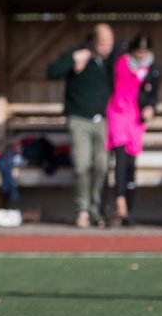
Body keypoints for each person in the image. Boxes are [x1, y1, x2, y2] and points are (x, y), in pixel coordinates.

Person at [47, 23, 114, 227]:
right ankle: (82, 209)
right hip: (79, 120)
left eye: (109, 43)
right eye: (102, 43)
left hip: (102, 121)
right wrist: (73, 59)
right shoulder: (78, 54)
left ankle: (97, 209)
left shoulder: (109, 62)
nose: (106, 47)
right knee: (82, 165)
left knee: (102, 166)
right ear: (93, 41)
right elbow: (52, 72)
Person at [105, 33, 159, 226]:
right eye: (138, 51)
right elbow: (114, 46)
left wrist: (151, 107)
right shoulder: (121, 60)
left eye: (144, 52)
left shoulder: (152, 68)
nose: (140, 56)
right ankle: (120, 202)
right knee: (120, 157)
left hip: (136, 118)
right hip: (119, 112)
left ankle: (129, 209)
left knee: (130, 164)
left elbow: (154, 95)